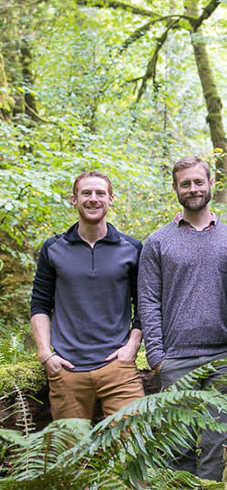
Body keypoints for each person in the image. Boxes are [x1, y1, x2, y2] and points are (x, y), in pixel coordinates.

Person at [138, 156, 227, 481]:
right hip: (175, 361)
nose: (193, 188)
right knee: (177, 447)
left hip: (222, 358)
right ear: (175, 188)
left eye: (199, 181)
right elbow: (148, 300)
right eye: (186, 183)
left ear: (212, 184)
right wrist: (156, 357)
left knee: (217, 444)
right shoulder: (157, 242)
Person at [30, 171, 144, 420]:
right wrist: (45, 354)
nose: (93, 199)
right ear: (74, 199)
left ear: (111, 199)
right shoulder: (53, 248)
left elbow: (143, 304)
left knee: (135, 447)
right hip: (67, 370)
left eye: (100, 193)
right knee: (70, 452)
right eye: (86, 193)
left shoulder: (132, 249)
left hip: (118, 367)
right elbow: (40, 304)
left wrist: (131, 347)